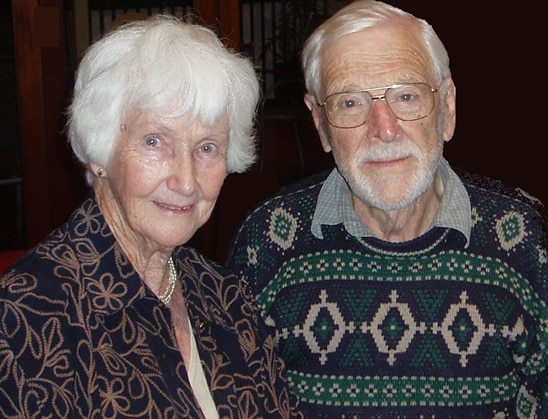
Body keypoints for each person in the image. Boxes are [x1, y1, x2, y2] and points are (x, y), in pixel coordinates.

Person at [226, 1, 548, 417]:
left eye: (406, 96)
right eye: (350, 103)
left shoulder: (525, 242)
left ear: (447, 108)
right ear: (320, 123)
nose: (384, 128)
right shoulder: (266, 243)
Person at [0, 15, 303, 418]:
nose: (186, 181)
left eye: (207, 147)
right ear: (99, 147)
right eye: (155, 141)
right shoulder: (26, 318)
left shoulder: (226, 295)